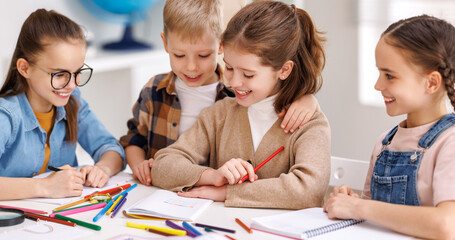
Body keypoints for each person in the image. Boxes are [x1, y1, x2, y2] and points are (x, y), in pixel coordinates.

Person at [151, 1, 331, 209]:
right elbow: (162, 165)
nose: (233, 82)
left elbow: (308, 191)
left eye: (248, 74)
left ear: (284, 70)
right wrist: (212, 176)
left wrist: (227, 192)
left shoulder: (310, 124)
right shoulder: (219, 114)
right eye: (228, 67)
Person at [323, 15, 455, 239]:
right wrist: (350, 203)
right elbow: (372, 215)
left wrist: (359, 208)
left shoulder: (449, 143)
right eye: (379, 72)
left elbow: (447, 225)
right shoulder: (386, 142)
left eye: (389, 76)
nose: (377, 85)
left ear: (431, 83)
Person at [0, 9, 126, 201]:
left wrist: (102, 169)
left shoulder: (73, 103)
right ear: (25, 68)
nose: (72, 85)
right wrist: (44, 186)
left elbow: (111, 148)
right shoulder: (6, 116)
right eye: (59, 75)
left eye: (77, 72)